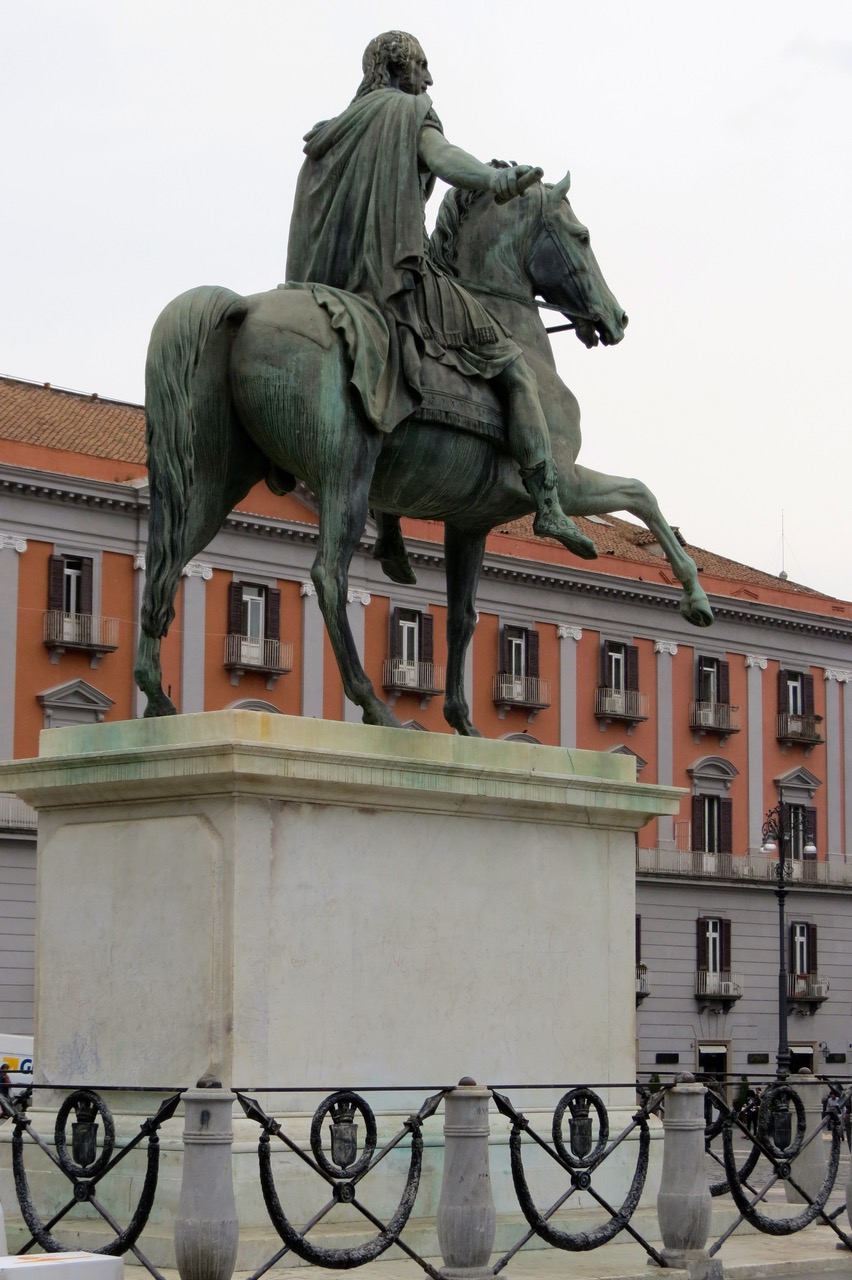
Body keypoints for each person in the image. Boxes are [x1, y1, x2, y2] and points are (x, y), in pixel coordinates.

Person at [286, 31, 596, 567]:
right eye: (422, 67)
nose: (428, 79)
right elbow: (445, 157)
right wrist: (496, 179)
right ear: (396, 68)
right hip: (395, 271)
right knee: (513, 366)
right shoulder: (409, 111)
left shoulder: (331, 134)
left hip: (330, 284)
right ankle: (547, 503)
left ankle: (389, 525)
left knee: (391, 372)